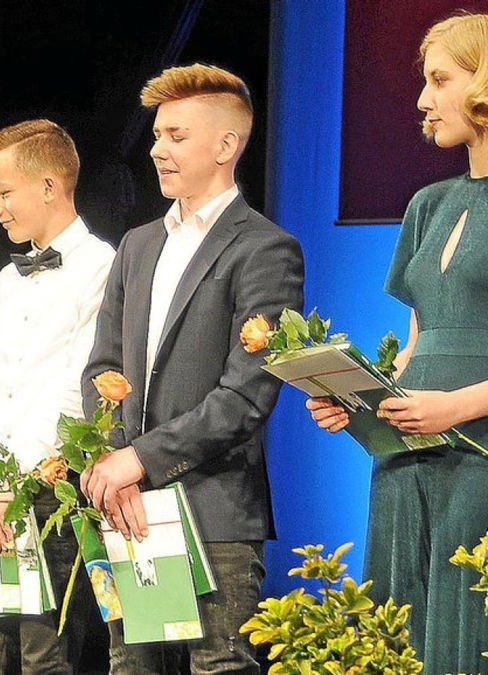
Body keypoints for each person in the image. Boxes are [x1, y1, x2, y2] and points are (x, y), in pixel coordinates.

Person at [81, 64, 304, 673]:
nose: (157, 149)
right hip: (129, 510)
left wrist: (141, 458)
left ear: (227, 145)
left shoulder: (265, 248)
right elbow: (102, 368)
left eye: (176, 136)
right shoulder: (137, 244)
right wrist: (110, 460)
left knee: (220, 666)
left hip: (216, 513)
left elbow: (247, 395)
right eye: (157, 136)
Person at [306, 14, 488, 670]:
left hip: (478, 451)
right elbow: (415, 347)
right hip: (407, 455)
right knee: (398, 621)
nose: (422, 100)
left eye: (441, 80)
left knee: (466, 622)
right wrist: (353, 402)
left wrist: (458, 407)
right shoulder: (427, 204)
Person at [0, 119, 115, 674]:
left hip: (49, 489)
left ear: (48, 186)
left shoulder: (102, 266)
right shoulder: (6, 279)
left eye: (3, 191)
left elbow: (76, 389)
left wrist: (17, 488)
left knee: (47, 657)